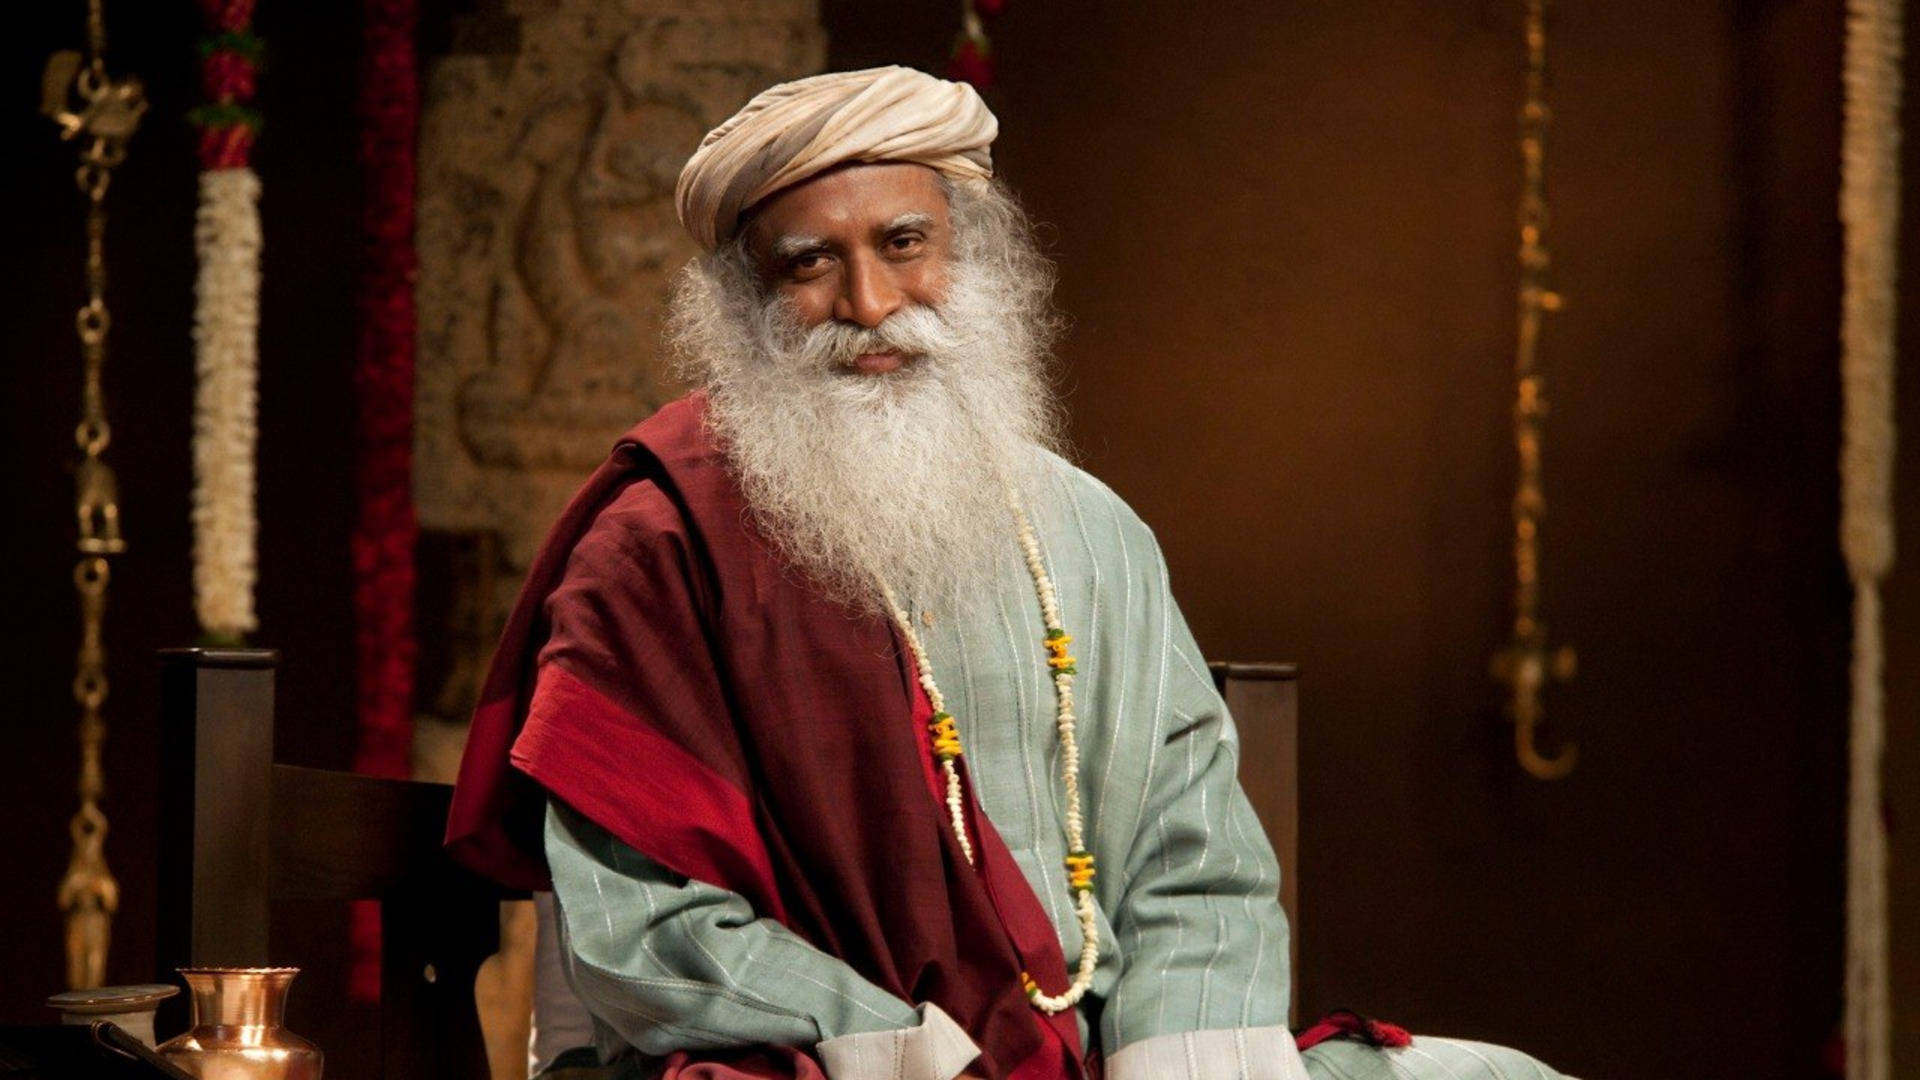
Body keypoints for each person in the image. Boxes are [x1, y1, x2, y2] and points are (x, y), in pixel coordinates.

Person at [447, 66, 1572, 1080]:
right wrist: (920, 1058)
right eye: (807, 265)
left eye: (902, 244)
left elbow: (1193, 870)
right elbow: (647, 924)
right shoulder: (660, 547)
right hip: (820, 1062)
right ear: (742, 303)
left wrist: (1169, 1067)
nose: (871, 305)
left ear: (968, 255)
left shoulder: (1092, 533)